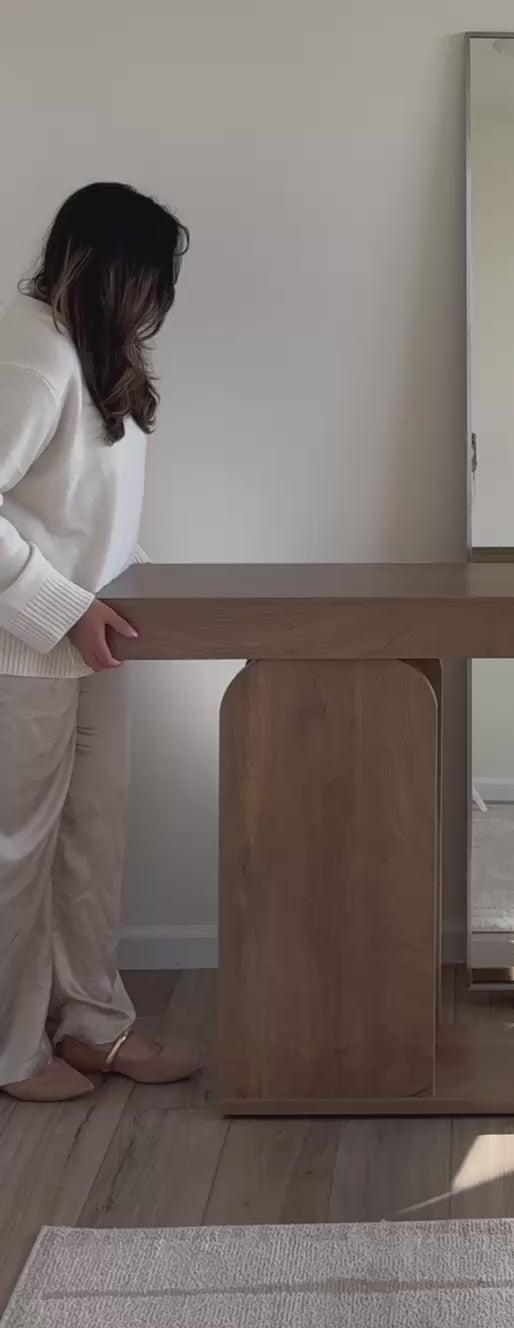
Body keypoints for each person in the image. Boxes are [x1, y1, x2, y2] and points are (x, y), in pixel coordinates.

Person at [0, 183, 198, 1101]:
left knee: (94, 841)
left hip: (93, 641)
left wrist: (136, 585)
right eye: (153, 278)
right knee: (18, 853)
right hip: (22, 648)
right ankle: (12, 1053)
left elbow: (82, 511)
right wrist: (62, 608)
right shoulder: (36, 357)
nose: (161, 300)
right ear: (113, 269)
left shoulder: (97, 355)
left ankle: (94, 1026)